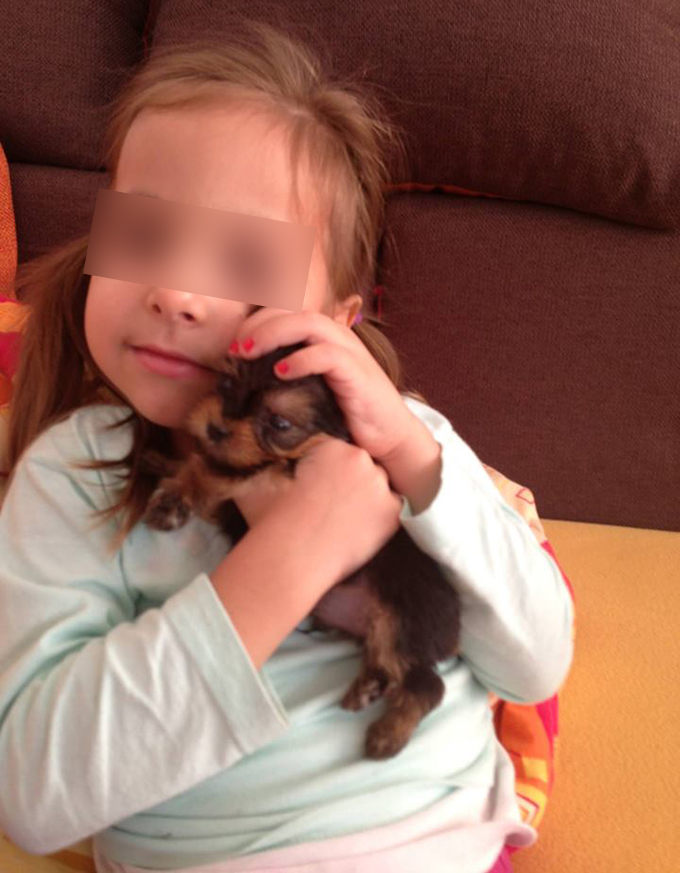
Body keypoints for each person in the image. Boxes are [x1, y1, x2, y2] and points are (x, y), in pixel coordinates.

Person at [0, 21, 574, 873]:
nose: (177, 292)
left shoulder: (405, 443)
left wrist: (415, 458)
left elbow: (533, 666)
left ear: (338, 321)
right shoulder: (72, 474)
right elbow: (32, 794)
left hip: (443, 845)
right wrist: (297, 552)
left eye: (245, 262)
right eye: (143, 237)